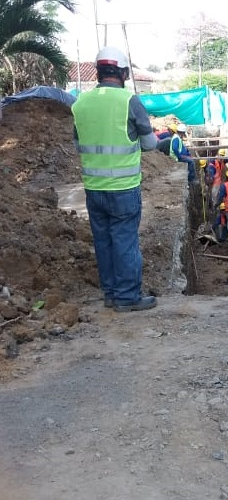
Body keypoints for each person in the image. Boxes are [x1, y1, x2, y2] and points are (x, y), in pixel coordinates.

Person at [71, 46, 157, 312]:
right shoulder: (129, 101)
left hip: (93, 189)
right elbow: (150, 143)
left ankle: (110, 293)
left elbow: (78, 144)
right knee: (124, 240)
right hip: (123, 188)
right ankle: (128, 296)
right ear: (123, 73)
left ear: (98, 73)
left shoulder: (79, 103)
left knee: (104, 241)